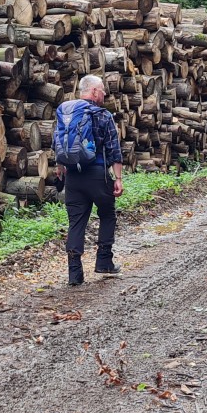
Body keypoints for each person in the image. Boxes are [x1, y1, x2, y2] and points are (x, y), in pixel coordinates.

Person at [56, 75, 124, 285]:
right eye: (102, 90)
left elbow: (57, 143)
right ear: (94, 91)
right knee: (107, 214)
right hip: (97, 175)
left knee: (76, 222)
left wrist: (60, 169)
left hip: (73, 177)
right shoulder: (103, 115)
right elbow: (114, 150)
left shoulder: (65, 113)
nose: (104, 94)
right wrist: (118, 178)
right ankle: (103, 261)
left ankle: (74, 274)